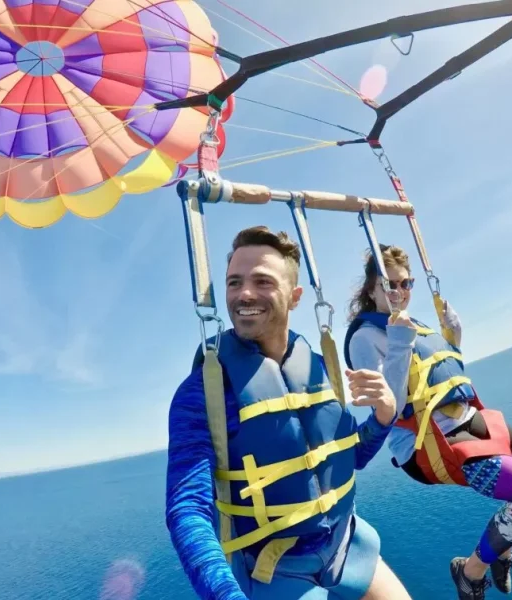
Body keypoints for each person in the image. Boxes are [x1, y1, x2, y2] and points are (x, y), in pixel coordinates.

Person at [165, 226, 413, 600]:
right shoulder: (203, 392)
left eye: (262, 281)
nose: (244, 294)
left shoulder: (316, 367)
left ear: (295, 296)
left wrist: (383, 418)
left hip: (347, 548)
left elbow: (350, 457)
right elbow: (188, 509)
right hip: (275, 572)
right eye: (234, 283)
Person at [342, 244, 512, 600]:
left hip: (470, 420)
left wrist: (453, 341)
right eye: (391, 285)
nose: (400, 292)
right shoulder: (366, 338)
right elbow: (392, 408)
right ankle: (470, 571)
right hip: (429, 444)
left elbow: (444, 378)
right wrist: (399, 342)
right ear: (371, 290)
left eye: (406, 283)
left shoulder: (415, 326)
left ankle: (502, 547)